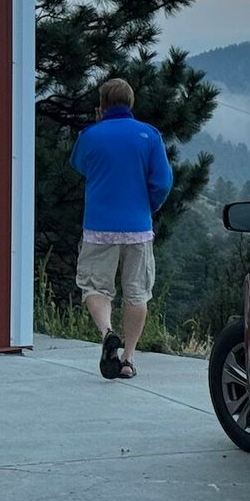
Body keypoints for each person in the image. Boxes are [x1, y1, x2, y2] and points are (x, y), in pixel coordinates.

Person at [70, 77, 173, 380]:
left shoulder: (89, 136)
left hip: (98, 226)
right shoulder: (149, 135)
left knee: (94, 287)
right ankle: (127, 359)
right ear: (131, 103)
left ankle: (107, 333)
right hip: (137, 227)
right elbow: (163, 182)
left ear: (101, 106)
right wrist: (148, 207)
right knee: (137, 293)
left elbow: (80, 165)